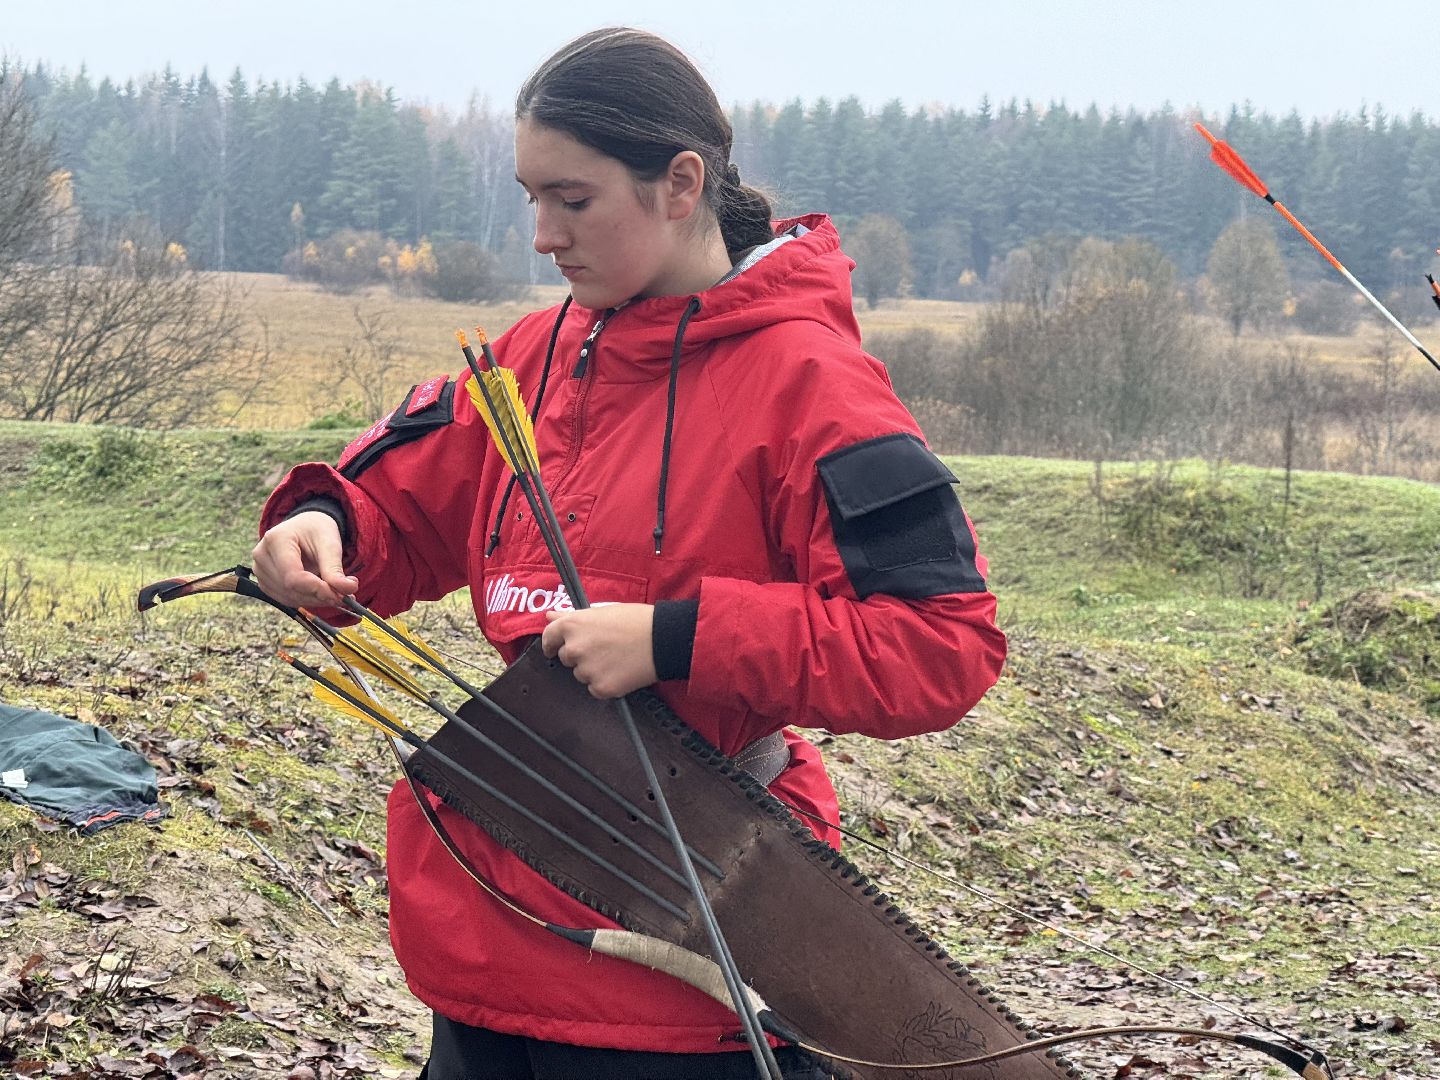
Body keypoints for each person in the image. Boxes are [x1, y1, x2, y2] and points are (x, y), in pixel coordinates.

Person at [251, 26, 1006, 1080]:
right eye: (529, 198)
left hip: (699, 953)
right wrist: (325, 530)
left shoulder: (817, 388)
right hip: (490, 935)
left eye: (573, 199)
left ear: (680, 183)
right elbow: (403, 509)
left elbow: (939, 649)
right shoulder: (533, 353)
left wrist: (677, 638)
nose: (542, 235)